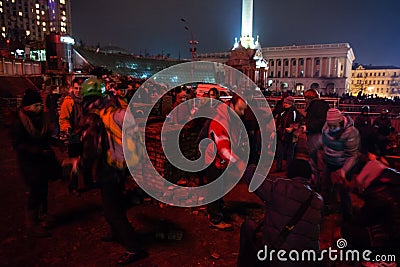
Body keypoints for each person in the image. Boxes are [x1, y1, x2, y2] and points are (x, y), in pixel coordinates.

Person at [77, 78, 148, 265]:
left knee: (111, 211)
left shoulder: (93, 117)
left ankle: (134, 248)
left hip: (109, 168)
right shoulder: (113, 112)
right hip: (120, 166)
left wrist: (80, 167)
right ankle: (117, 233)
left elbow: (91, 149)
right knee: (113, 204)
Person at [238, 159, 323, 267]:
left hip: (276, 260)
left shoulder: (279, 187)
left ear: (289, 173)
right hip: (305, 262)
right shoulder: (318, 200)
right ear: (310, 177)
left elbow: (250, 174)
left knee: (248, 226)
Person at [13, 88, 62, 237]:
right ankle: (32, 225)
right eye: (36, 105)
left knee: (43, 189)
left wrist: (56, 142)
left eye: (40, 104)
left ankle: (43, 216)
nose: (40, 107)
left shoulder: (41, 119)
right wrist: (37, 151)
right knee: (35, 191)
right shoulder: (19, 123)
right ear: (27, 107)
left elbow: (46, 138)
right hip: (29, 164)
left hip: (43, 162)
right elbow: (18, 145)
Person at [341, 152, 400, 264]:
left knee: (347, 230)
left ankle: (359, 259)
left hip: (392, 239)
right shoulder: (393, 180)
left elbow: (364, 220)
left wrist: (353, 214)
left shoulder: (379, 193)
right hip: (394, 231)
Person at [204, 93, 248, 231]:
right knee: (215, 189)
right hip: (214, 160)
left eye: (244, 109)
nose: (243, 113)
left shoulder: (231, 117)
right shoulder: (220, 121)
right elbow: (223, 149)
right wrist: (238, 161)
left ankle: (217, 208)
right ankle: (215, 219)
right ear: (232, 105)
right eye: (240, 109)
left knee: (220, 187)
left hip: (221, 161)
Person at [321, 108, 360, 220]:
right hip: (329, 162)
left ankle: (348, 215)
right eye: (330, 125)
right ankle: (326, 208)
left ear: (340, 121)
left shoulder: (351, 132)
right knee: (325, 187)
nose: (331, 128)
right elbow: (324, 142)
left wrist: (343, 171)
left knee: (343, 191)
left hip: (343, 164)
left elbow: (352, 155)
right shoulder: (326, 126)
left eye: (334, 125)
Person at [303, 88, 329, 190]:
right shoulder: (323, 105)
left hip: (315, 135)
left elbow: (319, 121)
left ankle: (316, 183)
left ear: (310, 97)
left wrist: (308, 127)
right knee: (320, 161)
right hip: (320, 135)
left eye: (306, 98)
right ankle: (320, 182)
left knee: (314, 160)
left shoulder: (315, 106)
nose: (305, 100)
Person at [274, 96, 303, 173]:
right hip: (281, 135)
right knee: (280, 152)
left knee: (290, 153)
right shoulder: (282, 112)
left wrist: (292, 128)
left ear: (290, 103)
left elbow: (298, 123)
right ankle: (279, 167)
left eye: (286, 103)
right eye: (284, 102)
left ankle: (288, 169)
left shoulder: (295, 112)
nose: (284, 104)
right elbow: (279, 122)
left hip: (290, 136)